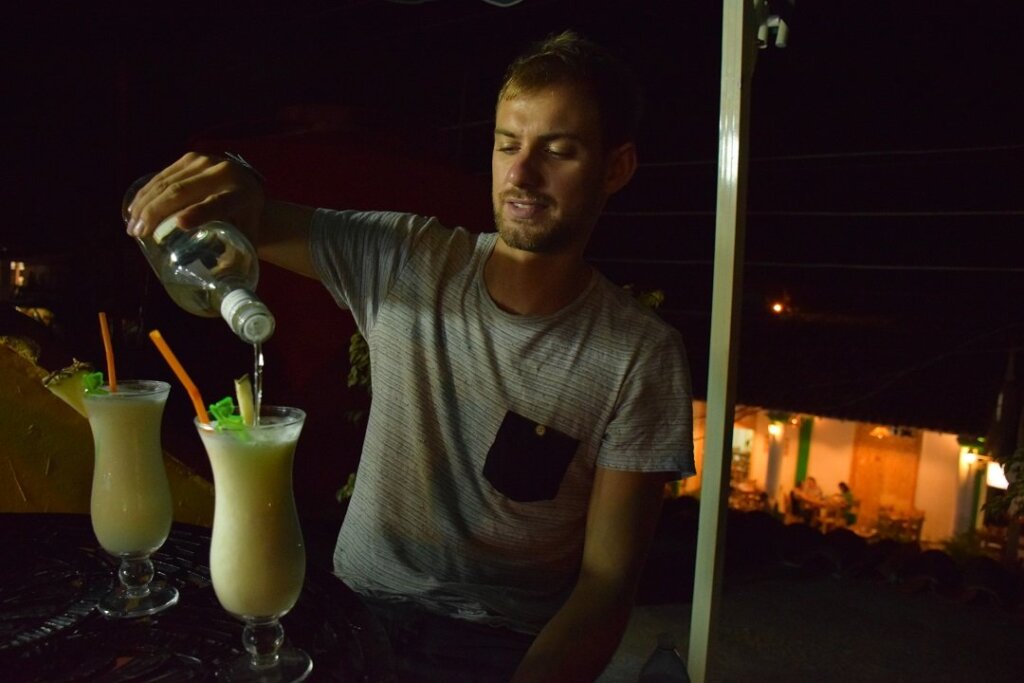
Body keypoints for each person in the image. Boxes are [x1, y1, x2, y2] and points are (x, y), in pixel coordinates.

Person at [125, 30, 695, 682]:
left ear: (615, 168)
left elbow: (606, 583)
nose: (522, 173)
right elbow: (251, 220)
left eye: (558, 150)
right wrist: (230, 180)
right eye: (508, 144)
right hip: (349, 612)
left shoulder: (640, 355)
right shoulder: (409, 259)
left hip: (497, 648)